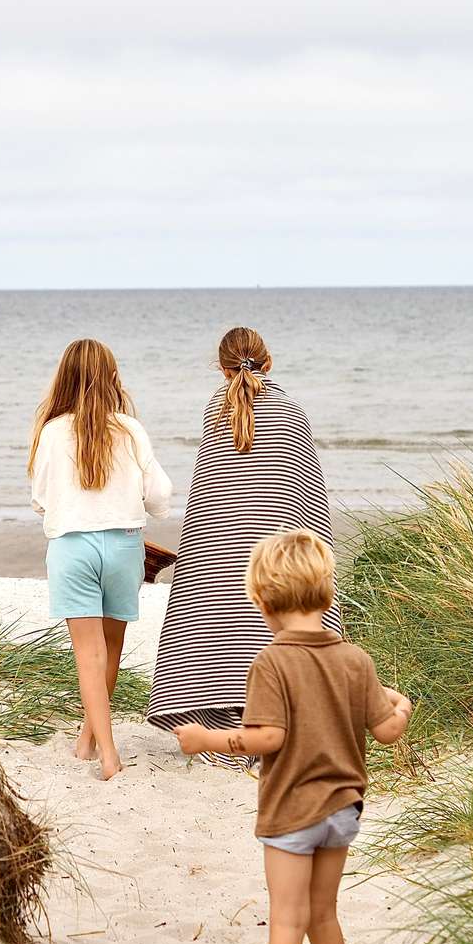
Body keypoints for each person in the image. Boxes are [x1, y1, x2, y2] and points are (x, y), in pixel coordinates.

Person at [173, 530, 412, 944]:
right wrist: (402, 707)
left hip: (291, 813)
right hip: (343, 811)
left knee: (286, 918)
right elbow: (387, 731)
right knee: (324, 914)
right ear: (326, 594)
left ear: (261, 600)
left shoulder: (272, 662)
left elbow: (269, 737)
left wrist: (202, 738)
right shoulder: (356, 660)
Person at [147, 327, 340, 768]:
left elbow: (207, 492)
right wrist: (313, 551)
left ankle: (228, 728)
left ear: (221, 367)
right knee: (268, 621)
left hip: (219, 547)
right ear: (268, 362)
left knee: (221, 619)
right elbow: (307, 495)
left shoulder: (216, 409)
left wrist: (201, 549)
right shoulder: (292, 410)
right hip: (274, 548)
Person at [30, 338, 173, 781]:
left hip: (73, 547)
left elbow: (40, 500)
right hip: (124, 546)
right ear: (112, 377)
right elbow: (160, 498)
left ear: (64, 378)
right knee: (111, 647)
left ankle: (104, 750)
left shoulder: (52, 431)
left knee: (87, 652)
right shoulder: (130, 429)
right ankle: (89, 740)